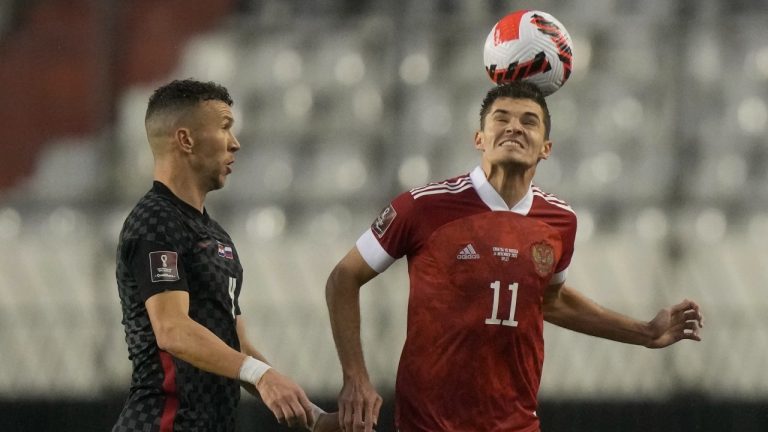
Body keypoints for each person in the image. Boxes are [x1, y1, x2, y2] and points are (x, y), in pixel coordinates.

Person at [325, 81, 704, 432]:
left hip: (516, 424)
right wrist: (355, 376)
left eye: (529, 121)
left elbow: (549, 300)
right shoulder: (423, 206)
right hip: (429, 424)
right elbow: (343, 278)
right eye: (500, 118)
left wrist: (643, 331)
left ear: (546, 148)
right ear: (479, 138)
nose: (514, 128)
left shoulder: (560, 222)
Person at [113, 79, 340, 432]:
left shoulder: (215, 235)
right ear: (185, 139)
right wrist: (262, 376)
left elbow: (239, 345)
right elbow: (172, 329)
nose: (235, 144)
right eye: (224, 127)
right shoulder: (154, 221)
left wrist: (315, 418)